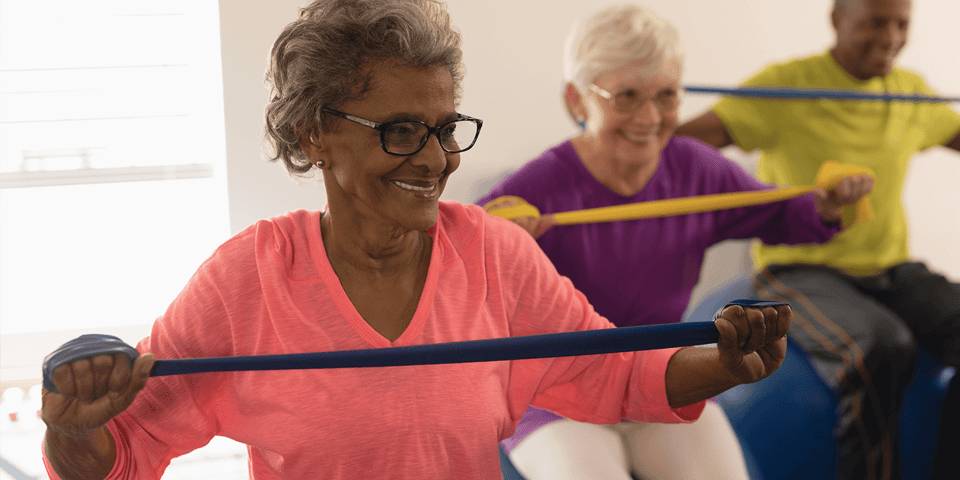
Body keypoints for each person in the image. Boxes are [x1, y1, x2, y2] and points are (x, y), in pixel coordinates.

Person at [39, 1, 794, 479]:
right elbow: (124, 453)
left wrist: (725, 363)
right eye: (401, 131)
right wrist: (74, 432)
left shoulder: (495, 255)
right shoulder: (248, 280)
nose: (435, 159)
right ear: (316, 134)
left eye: (443, 128)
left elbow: (616, 374)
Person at [476, 4, 873, 480]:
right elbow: (451, 259)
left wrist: (831, 204)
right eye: (626, 96)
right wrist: (495, 245)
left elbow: (784, 214)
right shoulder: (538, 186)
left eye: (666, 95)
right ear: (578, 101)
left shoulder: (696, 170)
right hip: (554, 396)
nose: (649, 117)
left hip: (660, 379)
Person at [675, 0, 960, 478]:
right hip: (798, 267)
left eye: (900, 24)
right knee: (882, 346)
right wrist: (634, 126)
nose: (889, 37)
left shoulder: (910, 94)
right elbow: (685, 144)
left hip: (889, 269)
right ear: (838, 19)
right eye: (875, 22)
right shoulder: (787, 86)